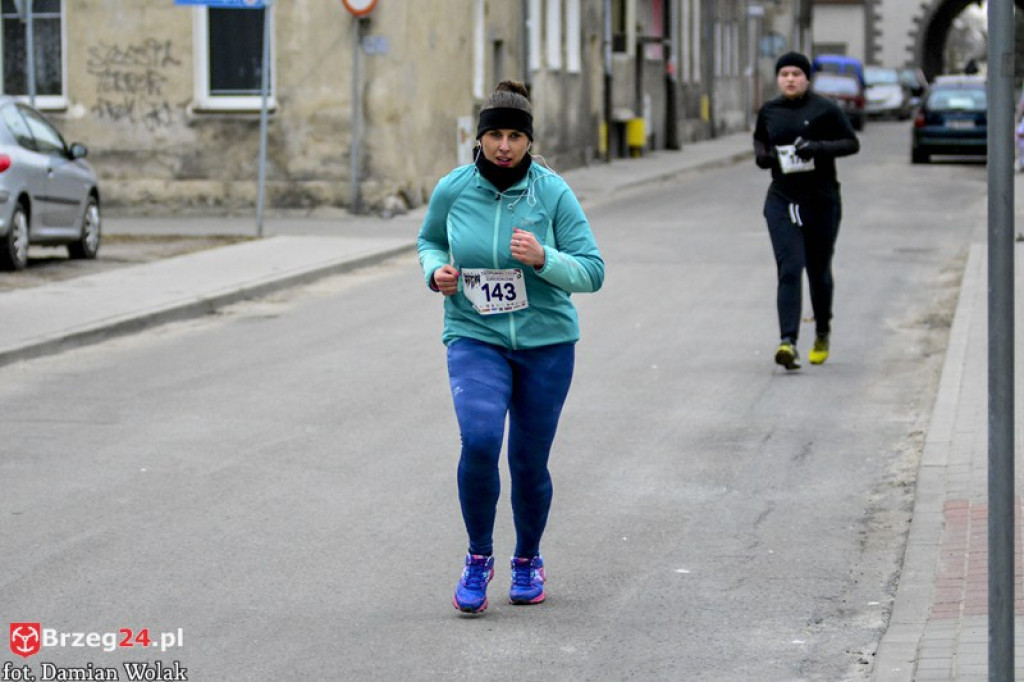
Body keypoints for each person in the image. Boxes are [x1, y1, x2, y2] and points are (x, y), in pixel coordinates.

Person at [417, 80, 605, 614]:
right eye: (494, 135)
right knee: (479, 441)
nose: (504, 146)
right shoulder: (453, 189)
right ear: (479, 139)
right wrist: (437, 272)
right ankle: (479, 558)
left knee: (527, 462)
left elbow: (593, 271)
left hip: (546, 343)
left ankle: (528, 559)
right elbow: (429, 239)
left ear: (529, 141)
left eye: (515, 136)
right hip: (475, 335)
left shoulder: (553, 193)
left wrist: (545, 258)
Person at [753, 52, 859, 370]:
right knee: (790, 268)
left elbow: (851, 143)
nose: (789, 79)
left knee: (818, 271)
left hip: (821, 201)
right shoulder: (770, 111)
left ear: (807, 78)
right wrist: (766, 157)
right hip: (784, 200)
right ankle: (788, 342)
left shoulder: (825, 109)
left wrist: (818, 149)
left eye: (796, 74)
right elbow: (760, 143)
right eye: (784, 73)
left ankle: (822, 331)